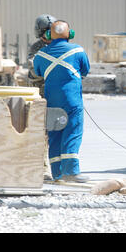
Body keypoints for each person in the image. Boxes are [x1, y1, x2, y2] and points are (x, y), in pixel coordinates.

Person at [33, 20, 90, 183]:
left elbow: (38, 73)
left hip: (51, 100)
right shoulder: (78, 50)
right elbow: (85, 70)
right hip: (72, 100)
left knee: (55, 134)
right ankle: (71, 171)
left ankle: (57, 174)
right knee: (72, 132)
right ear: (70, 34)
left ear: (50, 35)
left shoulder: (40, 55)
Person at [28, 14, 57, 181]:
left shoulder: (60, 46)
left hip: (57, 94)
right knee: (42, 132)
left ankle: (60, 167)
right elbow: (34, 70)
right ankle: (44, 168)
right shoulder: (37, 47)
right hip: (41, 94)